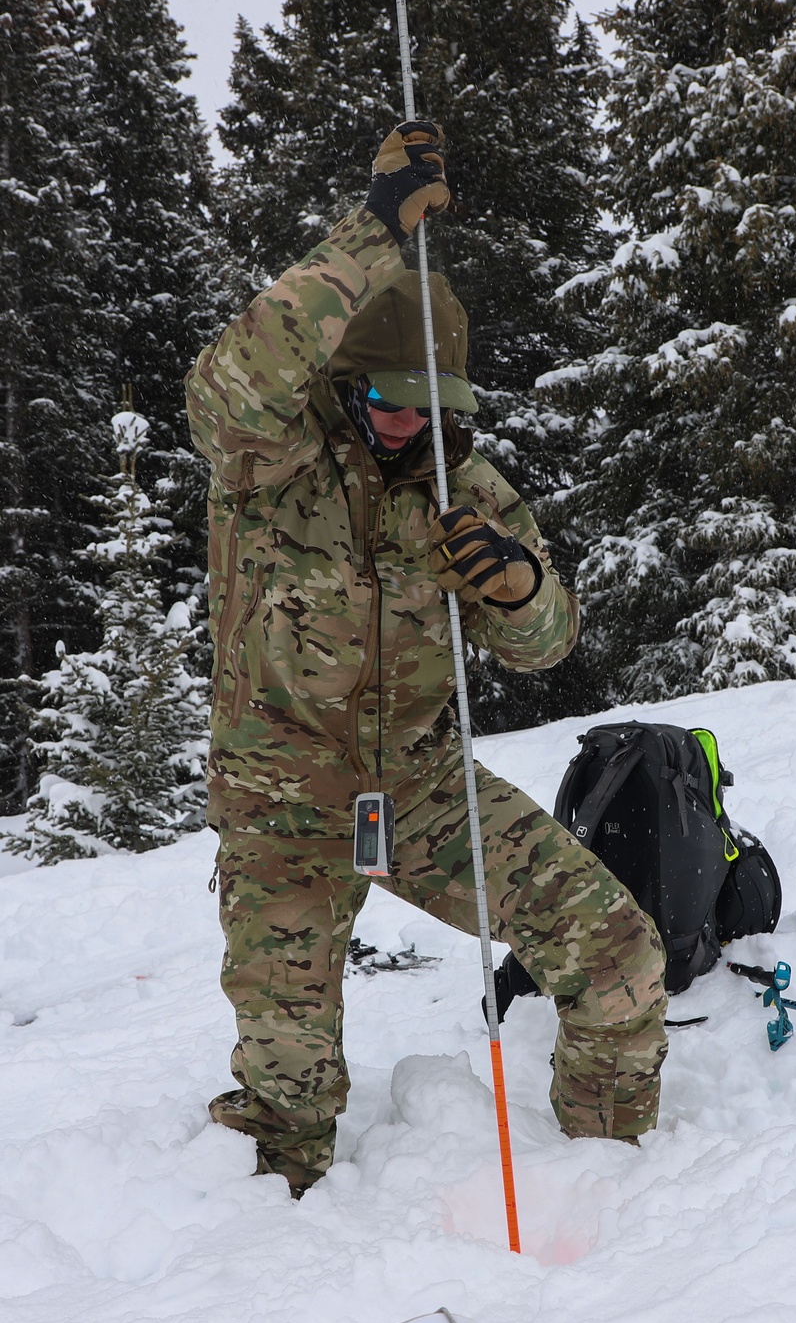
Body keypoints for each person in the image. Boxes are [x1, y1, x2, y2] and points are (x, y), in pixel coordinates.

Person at [186, 121, 668, 1195]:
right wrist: (370, 232)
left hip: (421, 790)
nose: (411, 422)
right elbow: (235, 375)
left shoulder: (468, 488)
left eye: (433, 402)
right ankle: (255, 1269)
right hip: (282, 805)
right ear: (349, 379)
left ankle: (618, 1191)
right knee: (290, 1106)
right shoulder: (266, 460)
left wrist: (516, 590)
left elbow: (550, 644)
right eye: (391, 396)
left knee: (620, 961)